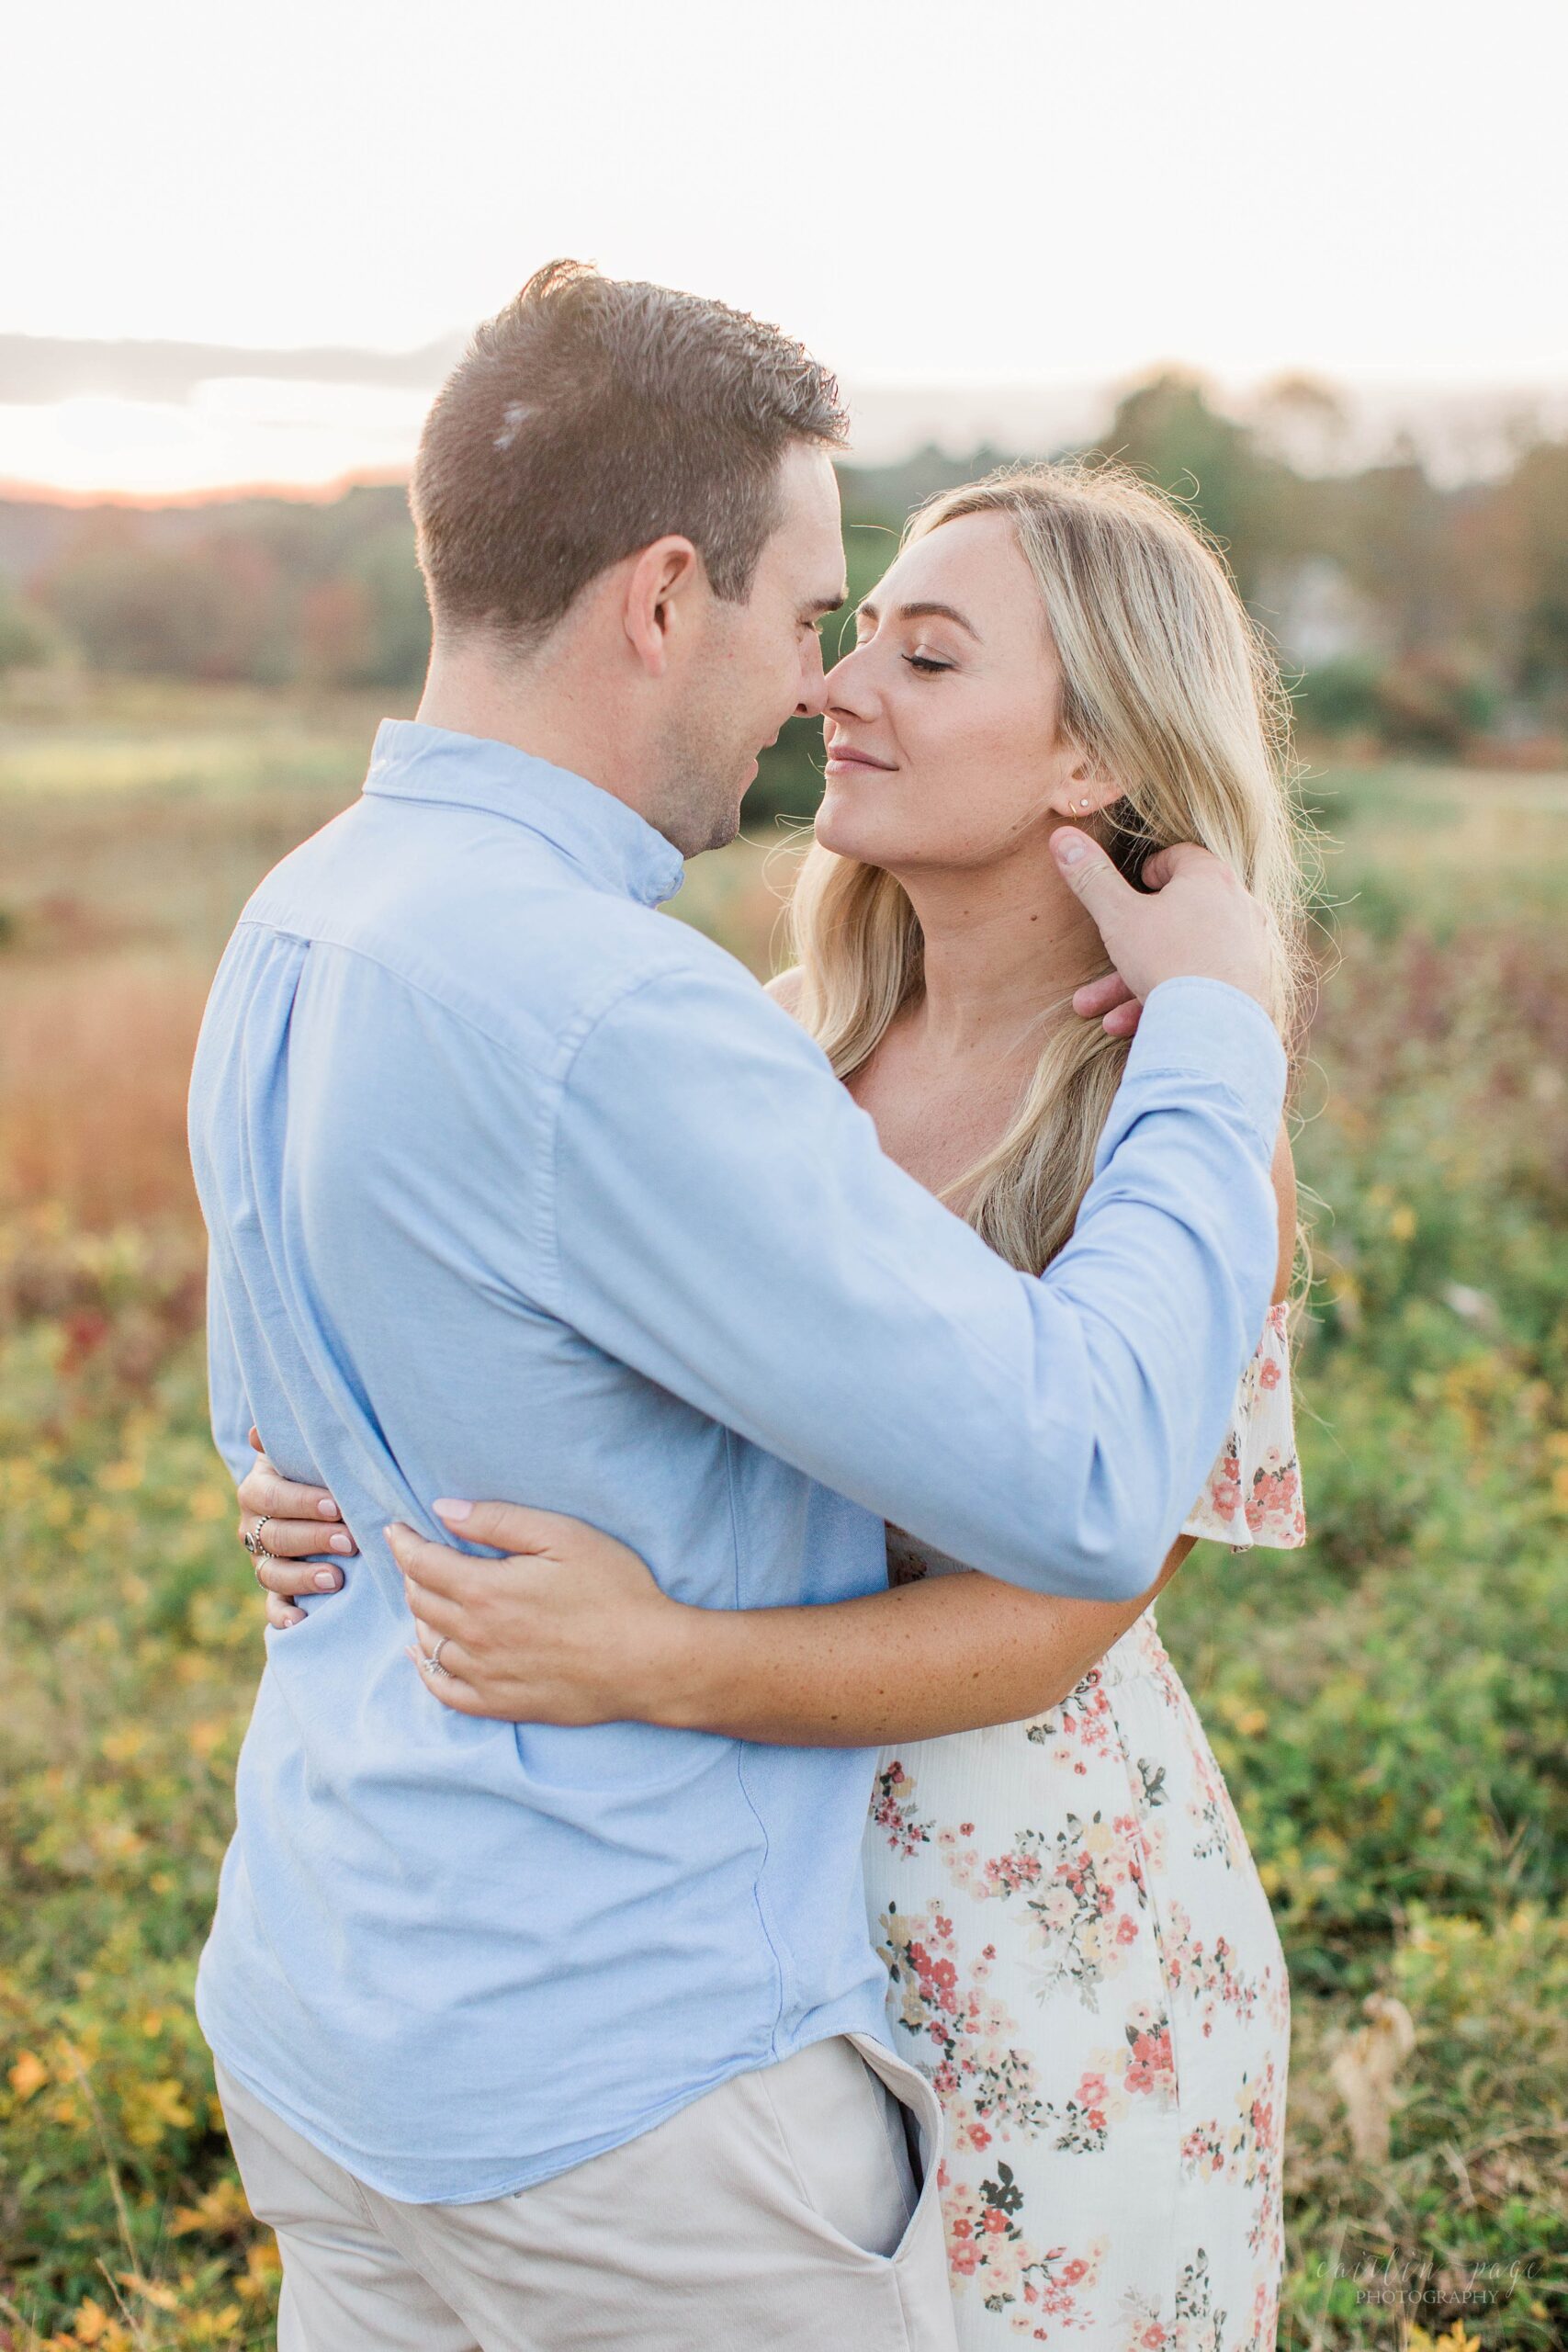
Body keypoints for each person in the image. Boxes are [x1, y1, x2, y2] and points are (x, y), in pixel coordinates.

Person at [192, 261, 1289, 2351]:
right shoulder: (690, 1039)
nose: (826, 682)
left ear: (1088, 757)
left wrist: (1211, 1053)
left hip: (975, 1944)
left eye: (910, 645)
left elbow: (1090, 1544)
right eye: (823, 616)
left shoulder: (312, 910)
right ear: (661, 594)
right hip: (648, 2029)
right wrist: (315, 1479)